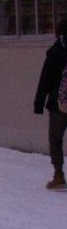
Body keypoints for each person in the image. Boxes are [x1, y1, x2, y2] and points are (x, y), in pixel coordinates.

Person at [34, 17, 67, 189]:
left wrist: (38, 104)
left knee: (55, 139)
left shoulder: (55, 52)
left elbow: (45, 79)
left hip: (58, 104)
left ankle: (59, 175)